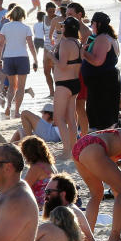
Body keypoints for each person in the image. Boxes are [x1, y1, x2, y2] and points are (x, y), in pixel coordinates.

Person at [80, 12, 121, 131]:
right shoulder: (109, 37)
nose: (91, 26)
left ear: (98, 24)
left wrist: (83, 52)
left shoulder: (102, 38)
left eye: (92, 23)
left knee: (101, 117)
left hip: (102, 83)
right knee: (105, 116)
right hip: (105, 81)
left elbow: (98, 61)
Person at [0, 5, 37, 119]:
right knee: (21, 87)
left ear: (11, 15)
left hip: (8, 58)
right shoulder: (26, 28)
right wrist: (35, 59)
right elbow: (31, 45)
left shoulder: (5, 27)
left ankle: (8, 107)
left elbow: (1, 44)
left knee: (11, 86)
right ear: (23, 15)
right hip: (22, 58)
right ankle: (17, 111)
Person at [51, 16, 82, 160]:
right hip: (75, 83)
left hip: (64, 84)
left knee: (58, 118)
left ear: (67, 28)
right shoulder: (78, 42)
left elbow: (62, 65)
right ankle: (73, 148)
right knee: (71, 118)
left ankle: (66, 150)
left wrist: (52, 57)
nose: (61, 28)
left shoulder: (65, 43)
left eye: (63, 26)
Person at [20, 135, 55, 209]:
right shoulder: (49, 164)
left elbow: (24, 187)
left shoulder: (36, 168)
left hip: (42, 204)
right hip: (53, 201)